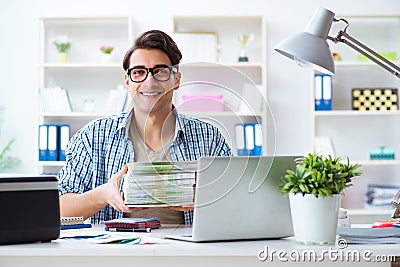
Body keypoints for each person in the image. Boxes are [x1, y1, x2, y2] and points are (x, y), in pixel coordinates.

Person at [57, 30, 232, 225]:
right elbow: (59, 209)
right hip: (116, 255)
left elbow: (236, 204)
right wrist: (103, 195)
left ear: (177, 80)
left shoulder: (209, 138)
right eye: (139, 72)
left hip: (187, 254)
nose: (150, 82)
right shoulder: (93, 137)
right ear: (127, 82)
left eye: (160, 71)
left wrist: (206, 195)